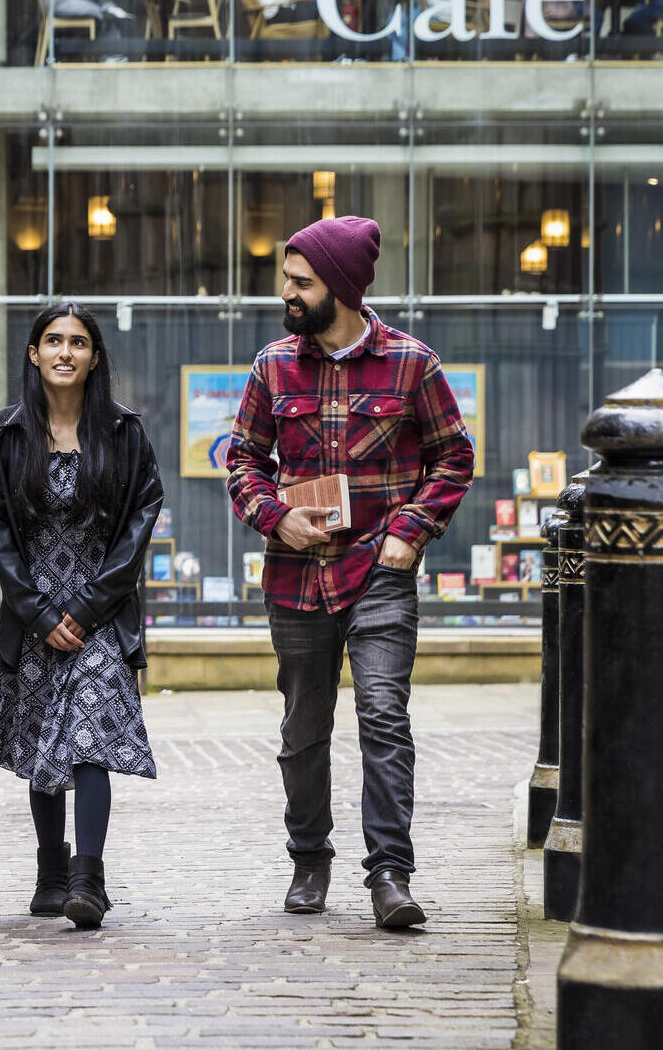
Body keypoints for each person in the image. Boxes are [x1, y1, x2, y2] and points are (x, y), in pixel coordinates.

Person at [223, 216, 474, 930]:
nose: (287, 293)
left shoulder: (412, 365)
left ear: (342, 286)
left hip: (379, 572)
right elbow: (242, 460)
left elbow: (454, 456)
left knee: (384, 719)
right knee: (304, 729)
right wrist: (275, 516)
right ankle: (309, 857)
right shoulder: (273, 366)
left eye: (301, 282)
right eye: (287, 280)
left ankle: (390, 874)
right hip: (296, 575)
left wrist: (410, 530)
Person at [0, 300, 165, 930]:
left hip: (102, 608)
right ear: (34, 353)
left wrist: (86, 605)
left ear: (95, 356)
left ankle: (87, 880)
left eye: (78, 342)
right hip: (32, 611)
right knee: (43, 736)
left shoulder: (124, 431)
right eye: (53, 341)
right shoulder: (7, 432)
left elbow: (140, 518)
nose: (65, 352)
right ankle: (50, 871)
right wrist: (39, 610)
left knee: (89, 738)